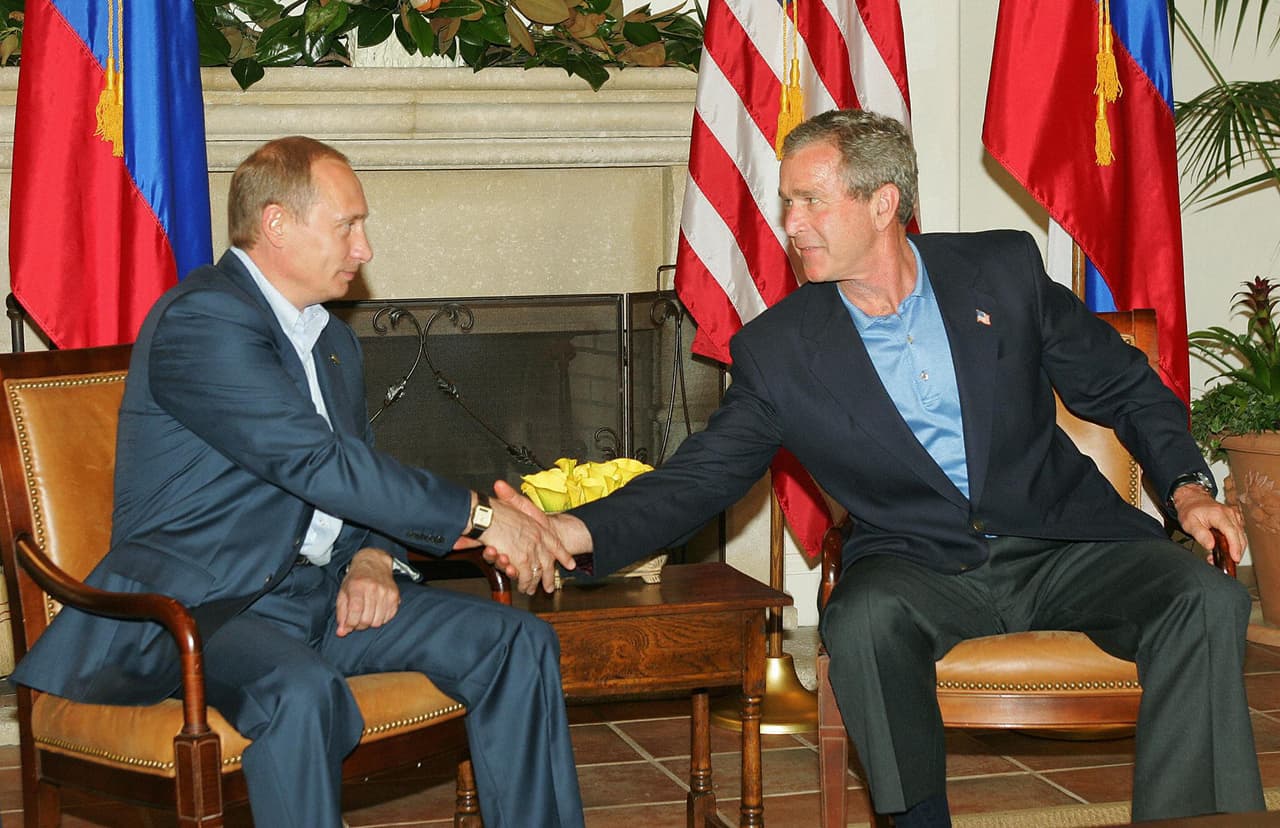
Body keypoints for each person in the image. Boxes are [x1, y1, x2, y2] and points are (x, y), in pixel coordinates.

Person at [491, 110, 1265, 825]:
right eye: (786, 202)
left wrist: (1189, 489)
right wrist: (572, 529)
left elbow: (1126, 384)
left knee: (1205, 599)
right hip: (914, 560)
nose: (790, 224)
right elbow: (702, 476)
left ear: (885, 203)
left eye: (811, 202)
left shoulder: (1003, 271)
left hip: (1064, 542)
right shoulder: (780, 351)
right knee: (862, 621)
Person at [12, 136, 585, 828]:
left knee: (517, 643)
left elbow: (357, 480)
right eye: (348, 226)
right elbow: (314, 463)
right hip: (204, 607)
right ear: (277, 224)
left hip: (316, 594)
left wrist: (372, 557)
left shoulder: (332, 341)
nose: (365, 249)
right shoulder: (204, 321)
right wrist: (487, 520)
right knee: (300, 692)